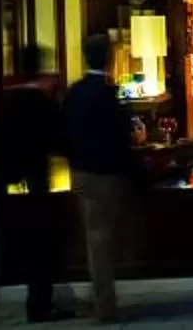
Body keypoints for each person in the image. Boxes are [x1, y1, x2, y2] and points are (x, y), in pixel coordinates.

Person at [60, 32, 135, 323]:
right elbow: (121, 136)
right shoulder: (107, 93)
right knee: (107, 237)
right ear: (110, 58)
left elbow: (63, 133)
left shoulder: (74, 92)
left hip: (82, 172)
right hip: (108, 174)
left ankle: (104, 300)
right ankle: (106, 304)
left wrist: (75, 161)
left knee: (97, 238)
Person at [0, 55, 69, 322]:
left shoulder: (6, 102)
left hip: (12, 189)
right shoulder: (41, 103)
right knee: (42, 248)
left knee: (27, 246)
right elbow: (59, 140)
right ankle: (40, 305)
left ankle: (36, 302)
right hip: (37, 185)